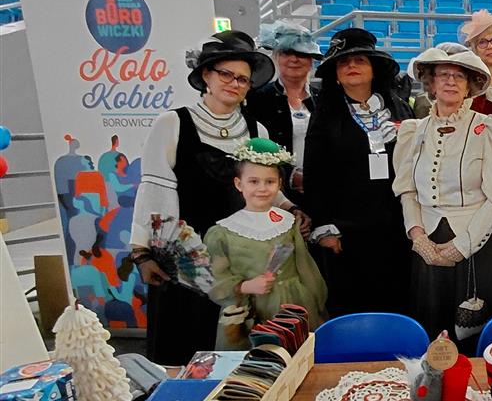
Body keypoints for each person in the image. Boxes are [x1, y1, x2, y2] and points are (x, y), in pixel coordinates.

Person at [130, 31, 304, 364]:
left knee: (238, 350)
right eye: (226, 74)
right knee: (186, 350)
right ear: (206, 76)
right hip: (186, 259)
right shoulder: (172, 124)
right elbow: (154, 190)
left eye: (243, 79)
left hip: (241, 258)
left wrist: (290, 207)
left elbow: (264, 186)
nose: (234, 83)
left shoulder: (257, 131)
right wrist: (143, 252)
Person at [393, 44, 492, 346]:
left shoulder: (489, 127)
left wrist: (463, 246)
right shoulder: (413, 130)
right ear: (431, 83)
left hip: (477, 244)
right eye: (443, 75)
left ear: (469, 85)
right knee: (432, 327)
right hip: (428, 242)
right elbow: (407, 189)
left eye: (459, 76)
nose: (451, 81)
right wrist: (418, 237)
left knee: (473, 327)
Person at [303, 28, 414, 318]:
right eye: (344, 62)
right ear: (336, 75)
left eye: (360, 60)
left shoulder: (399, 109)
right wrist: (324, 225)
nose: (352, 66)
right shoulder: (325, 114)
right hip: (347, 231)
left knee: (397, 300)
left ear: (374, 69)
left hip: (396, 226)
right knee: (353, 304)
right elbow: (314, 175)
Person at [204, 139, 327, 349]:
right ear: (239, 184)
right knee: (258, 360)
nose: (262, 188)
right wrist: (245, 286)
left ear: (279, 184)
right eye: (253, 181)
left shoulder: (289, 222)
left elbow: (306, 267)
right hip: (250, 312)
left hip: (293, 306)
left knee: (297, 356)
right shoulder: (222, 232)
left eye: (269, 182)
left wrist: (316, 303)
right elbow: (214, 279)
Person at [245, 21, 322, 207]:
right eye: (287, 53)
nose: (294, 59)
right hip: (273, 192)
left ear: (311, 60)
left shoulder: (324, 99)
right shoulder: (256, 99)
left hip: (321, 190)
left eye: (301, 54)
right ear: (276, 56)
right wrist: (291, 176)